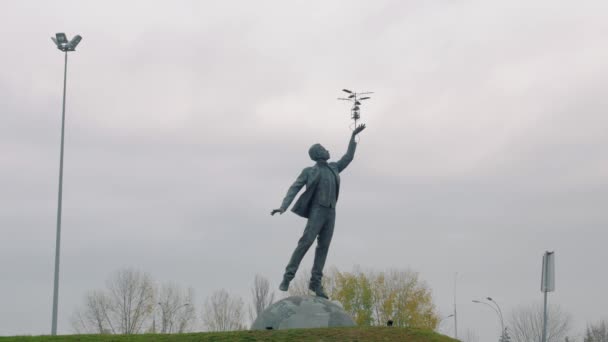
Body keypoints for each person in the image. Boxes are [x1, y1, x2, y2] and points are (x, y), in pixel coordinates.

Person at [271, 124, 366, 298]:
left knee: (323, 247)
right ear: (317, 154)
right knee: (305, 243)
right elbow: (295, 188)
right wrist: (283, 206)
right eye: (323, 148)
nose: (327, 150)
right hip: (317, 211)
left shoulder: (334, 167)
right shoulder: (309, 171)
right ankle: (287, 277)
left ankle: (315, 283)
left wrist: (353, 137)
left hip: (331, 213)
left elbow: (348, 157)